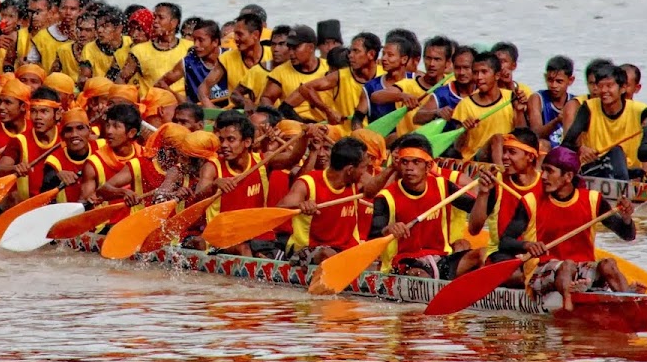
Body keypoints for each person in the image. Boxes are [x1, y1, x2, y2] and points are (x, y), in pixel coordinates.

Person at [516, 147, 639, 312]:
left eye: (549, 171)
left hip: (582, 270)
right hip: (542, 271)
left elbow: (628, 236)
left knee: (609, 264)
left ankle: (630, 303)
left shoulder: (592, 199)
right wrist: (526, 246)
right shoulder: (530, 201)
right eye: (543, 170)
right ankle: (569, 302)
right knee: (567, 265)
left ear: (568, 176)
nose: (543, 176)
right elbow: (506, 242)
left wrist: (626, 218)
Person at [366, 134, 479, 279]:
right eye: (405, 162)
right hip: (404, 263)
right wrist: (389, 229)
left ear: (428, 166)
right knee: (421, 275)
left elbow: (476, 210)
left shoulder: (443, 186)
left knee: (481, 255)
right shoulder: (385, 196)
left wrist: (485, 193)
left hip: (441, 259)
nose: (409, 168)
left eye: (416, 162)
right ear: (398, 164)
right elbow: (373, 236)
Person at [453, 128, 541, 279]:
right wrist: (483, 193)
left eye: (512, 152)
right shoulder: (496, 182)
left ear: (530, 156)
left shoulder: (545, 183)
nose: (504, 157)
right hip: (500, 254)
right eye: (504, 151)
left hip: (537, 254)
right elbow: (474, 229)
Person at [190, 112, 274, 256]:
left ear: (247, 142)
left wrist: (304, 138)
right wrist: (215, 185)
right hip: (221, 237)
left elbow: (292, 158)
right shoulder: (212, 167)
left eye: (230, 140)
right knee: (244, 250)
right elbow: (198, 197)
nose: (224, 145)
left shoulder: (262, 161)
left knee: (261, 252)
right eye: (221, 139)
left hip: (257, 235)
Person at [277, 136, 366, 265]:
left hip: (345, 250)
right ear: (350, 170)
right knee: (327, 255)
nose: (365, 172)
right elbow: (280, 208)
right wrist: (300, 205)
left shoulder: (356, 183)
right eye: (363, 167)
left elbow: (376, 187)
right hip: (305, 250)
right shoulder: (308, 182)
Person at [561, 63, 647, 181]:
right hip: (595, 170)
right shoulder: (588, 108)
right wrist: (581, 148)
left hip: (629, 172)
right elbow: (567, 143)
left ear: (622, 88)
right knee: (616, 152)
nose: (604, 91)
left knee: (631, 165)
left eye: (609, 86)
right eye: (600, 86)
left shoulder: (643, 111)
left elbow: (646, 152)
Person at [450, 52, 528, 160]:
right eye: (475, 73)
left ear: (497, 75)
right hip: (476, 159)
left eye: (484, 72)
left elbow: (522, 136)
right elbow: (457, 147)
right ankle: (501, 174)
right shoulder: (465, 105)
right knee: (497, 139)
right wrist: (465, 130)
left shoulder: (510, 97)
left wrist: (519, 111)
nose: (479, 77)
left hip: (507, 155)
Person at [292, 32, 379, 126]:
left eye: (356, 51)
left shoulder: (385, 75)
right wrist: (327, 110)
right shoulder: (340, 76)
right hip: (344, 134)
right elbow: (305, 88)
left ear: (371, 54)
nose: (350, 55)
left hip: (377, 133)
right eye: (351, 51)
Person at [0, 87, 62, 201]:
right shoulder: (19, 140)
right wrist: (15, 168)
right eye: (33, 111)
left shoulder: (67, 136)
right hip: (29, 207)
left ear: (57, 114)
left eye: (44, 111)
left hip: (60, 207)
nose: (37, 117)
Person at [198, 12, 270, 108]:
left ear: (255, 35)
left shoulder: (274, 56)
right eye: (235, 34)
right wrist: (211, 108)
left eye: (239, 34)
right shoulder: (227, 58)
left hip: (269, 114)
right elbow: (204, 87)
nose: (235, 38)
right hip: (236, 115)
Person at [121, 2, 192, 97]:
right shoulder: (139, 50)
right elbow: (121, 79)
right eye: (154, 17)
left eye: (161, 18)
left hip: (182, 106)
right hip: (151, 106)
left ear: (174, 23)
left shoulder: (190, 48)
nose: (155, 22)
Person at [78, 103, 143, 204]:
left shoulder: (145, 156)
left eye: (116, 126)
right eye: (108, 125)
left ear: (131, 133)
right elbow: (83, 204)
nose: (109, 131)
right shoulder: (93, 164)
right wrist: (90, 200)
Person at [261, 25, 328, 122]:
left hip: (325, 125)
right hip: (293, 124)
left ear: (311, 47)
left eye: (295, 48)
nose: (291, 53)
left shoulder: (329, 69)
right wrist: (276, 118)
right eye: (289, 47)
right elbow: (267, 98)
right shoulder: (280, 72)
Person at [356, 34, 415, 128]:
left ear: (404, 59)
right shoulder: (370, 87)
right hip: (380, 139)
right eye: (383, 54)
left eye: (390, 55)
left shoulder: (416, 80)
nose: (384, 58)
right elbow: (357, 119)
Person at [158, 19, 223, 103]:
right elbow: (160, 84)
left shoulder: (230, 56)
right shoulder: (187, 63)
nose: (195, 45)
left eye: (201, 40)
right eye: (194, 40)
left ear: (215, 42)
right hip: (199, 112)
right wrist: (179, 99)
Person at [42, 108, 95, 203]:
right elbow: (45, 192)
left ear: (90, 131)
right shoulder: (54, 161)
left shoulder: (102, 147)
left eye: (80, 128)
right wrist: (57, 177)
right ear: (62, 136)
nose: (74, 134)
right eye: (69, 130)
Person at [416, 45, 476, 125]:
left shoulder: (482, 90)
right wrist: (437, 112)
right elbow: (417, 118)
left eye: (466, 68)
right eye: (457, 68)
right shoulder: (442, 93)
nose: (461, 72)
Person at [528, 55, 575, 149]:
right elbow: (535, 134)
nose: (553, 85)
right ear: (545, 77)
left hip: (566, 152)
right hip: (544, 151)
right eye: (550, 80)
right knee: (542, 144)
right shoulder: (537, 98)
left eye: (559, 81)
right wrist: (557, 121)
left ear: (570, 80)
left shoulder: (575, 102)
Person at [80, 5, 132, 80]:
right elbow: (84, 77)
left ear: (119, 28)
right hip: (98, 89)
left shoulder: (130, 43)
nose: (99, 30)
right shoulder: (89, 48)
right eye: (98, 26)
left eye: (105, 26)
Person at [28, 0, 73, 76]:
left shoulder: (89, 35)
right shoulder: (41, 36)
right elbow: (31, 66)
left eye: (73, 9)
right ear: (57, 10)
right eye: (64, 8)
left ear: (80, 11)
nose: (68, 13)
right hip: (49, 84)